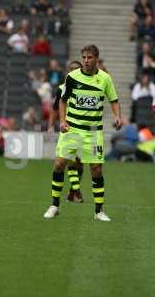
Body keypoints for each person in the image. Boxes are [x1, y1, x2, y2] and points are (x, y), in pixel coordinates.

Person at [43, 44, 122, 222]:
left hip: (94, 133)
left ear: (96, 58)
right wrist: (62, 121)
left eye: (90, 58)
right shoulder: (72, 77)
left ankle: (99, 211)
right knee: (59, 164)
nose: (86, 61)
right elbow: (62, 102)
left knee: (96, 170)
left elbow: (114, 99)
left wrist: (118, 116)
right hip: (73, 130)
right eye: (84, 57)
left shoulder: (105, 79)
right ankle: (55, 205)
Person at [48, 60, 84, 203]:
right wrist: (51, 125)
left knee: (79, 163)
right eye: (71, 69)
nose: (73, 71)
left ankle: (72, 191)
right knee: (69, 161)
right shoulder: (62, 88)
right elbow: (55, 108)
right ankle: (76, 192)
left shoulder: (86, 88)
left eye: (76, 69)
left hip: (82, 129)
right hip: (68, 129)